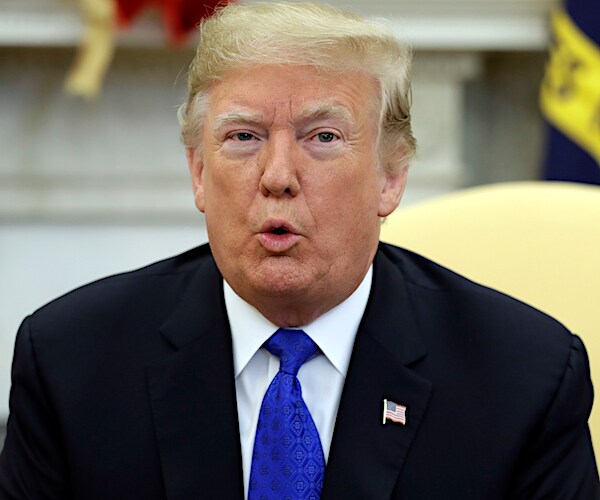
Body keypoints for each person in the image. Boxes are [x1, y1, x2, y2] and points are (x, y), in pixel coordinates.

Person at [0, 2, 598, 498]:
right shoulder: (70, 363)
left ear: (390, 177)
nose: (277, 175)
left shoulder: (524, 380)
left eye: (323, 137)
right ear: (199, 173)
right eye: (243, 137)